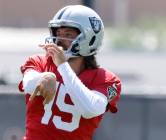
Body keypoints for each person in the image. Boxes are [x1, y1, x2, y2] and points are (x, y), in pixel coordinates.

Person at [18, 5, 121, 140]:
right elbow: (29, 84)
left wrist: (63, 66)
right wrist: (45, 77)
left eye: (68, 35)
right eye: (58, 34)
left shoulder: (106, 79)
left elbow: (90, 109)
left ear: (89, 38)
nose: (59, 40)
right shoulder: (39, 62)